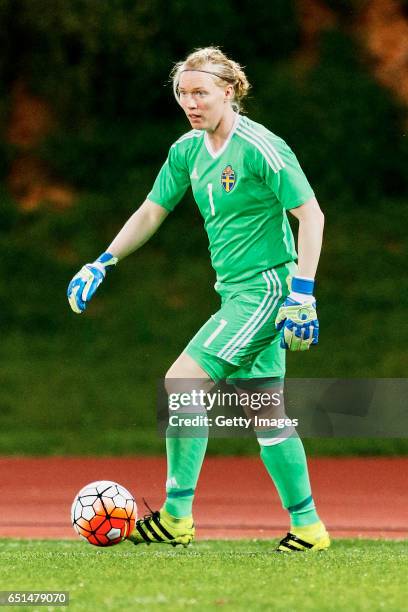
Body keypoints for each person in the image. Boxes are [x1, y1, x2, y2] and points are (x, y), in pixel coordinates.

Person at [67, 47, 329, 552]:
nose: (190, 102)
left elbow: (311, 215)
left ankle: (176, 516)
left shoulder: (260, 147)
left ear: (228, 91)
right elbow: (151, 210)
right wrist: (103, 260)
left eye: (201, 92)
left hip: (266, 289)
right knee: (266, 415)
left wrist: (303, 295)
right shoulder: (187, 150)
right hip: (236, 291)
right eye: (183, 93)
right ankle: (309, 528)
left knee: (182, 382)